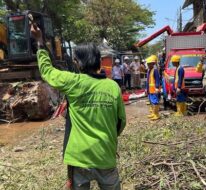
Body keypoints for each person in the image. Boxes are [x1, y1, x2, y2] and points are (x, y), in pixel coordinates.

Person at [31, 25, 126, 190]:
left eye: (75, 60)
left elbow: (46, 70)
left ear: (78, 62)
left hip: (78, 159)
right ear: (98, 60)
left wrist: (40, 41)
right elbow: (120, 122)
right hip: (105, 156)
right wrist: (108, 138)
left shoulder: (72, 82)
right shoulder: (112, 87)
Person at [146, 55, 161, 121]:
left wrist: (157, 88)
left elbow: (157, 80)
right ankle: (153, 113)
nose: (148, 65)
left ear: (152, 64)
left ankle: (156, 114)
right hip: (150, 90)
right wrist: (146, 89)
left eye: (149, 64)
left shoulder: (155, 70)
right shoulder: (149, 70)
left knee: (155, 101)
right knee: (151, 101)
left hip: (154, 89)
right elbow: (148, 81)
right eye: (148, 64)